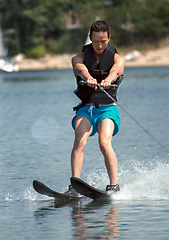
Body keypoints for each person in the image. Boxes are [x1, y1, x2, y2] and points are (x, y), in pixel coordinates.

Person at [66, 20, 125, 195]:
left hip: (107, 109)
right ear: (90, 38)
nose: (99, 45)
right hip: (86, 109)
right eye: (96, 41)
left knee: (104, 143)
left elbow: (116, 70)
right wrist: (88, 76)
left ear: (109, 38)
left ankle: (113, 186)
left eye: (103, 41)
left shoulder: (117, 59)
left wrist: (108, 79)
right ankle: (75, 185)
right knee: (79, 140)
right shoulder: (79, 58)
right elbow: (79, 68)